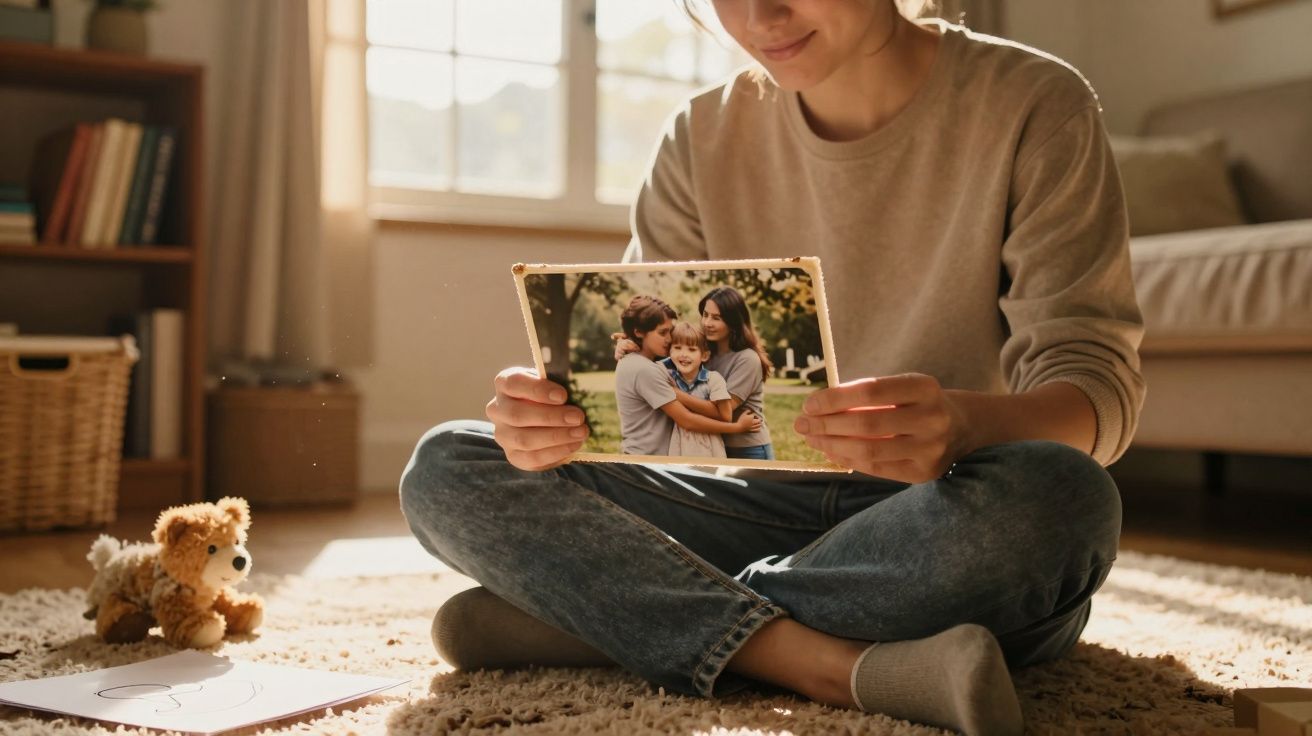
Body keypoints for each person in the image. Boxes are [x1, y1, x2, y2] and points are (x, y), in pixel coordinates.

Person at [401, 1, 1143, 734]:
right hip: (738, 509)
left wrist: (965, 424)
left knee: (1064, 499)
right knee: (449, 465)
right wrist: (551, 420)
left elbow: (1094, 384)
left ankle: (609, 618)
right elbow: (641, 379)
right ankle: (820, 661)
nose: (762, 14)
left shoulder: (1037, 103)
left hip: (933, 514)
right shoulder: (699, 134)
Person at [612, 296, 760, 456]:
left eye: (670, 331)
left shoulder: (638, 361)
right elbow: (687, 420)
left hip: (649, 456)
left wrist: (624, 340)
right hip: (648, 459)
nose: (669, 339)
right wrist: (737, 428)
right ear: (639, 332)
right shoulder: (645, 369)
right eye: (663, 333)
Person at [661, 321, 734, 458]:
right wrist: (627, 344)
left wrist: (679, 395)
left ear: (704, 356)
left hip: (710, 445)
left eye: (692, 349)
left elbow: (726, 417)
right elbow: (646, 361)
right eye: (677, 348)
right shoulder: (666, 376)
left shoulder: (713, 380)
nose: (683, 354)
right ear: (669, 351)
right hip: (679, 445)